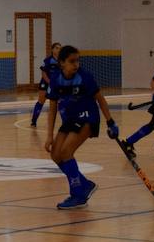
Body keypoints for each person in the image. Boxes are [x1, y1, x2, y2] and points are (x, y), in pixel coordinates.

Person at [44, 45, 119, 210]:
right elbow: (52, 109)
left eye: (77, 60)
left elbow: (100, 99)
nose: (76, 64)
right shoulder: (56, 79)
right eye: (72, 61)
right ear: (62, 62)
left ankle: (78, 195)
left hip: (87, 117)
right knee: (56, 155)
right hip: (70, 120)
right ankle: (85, 184)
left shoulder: (85, 77)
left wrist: (111, 121)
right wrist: (50, 135)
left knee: (66, 152)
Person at [30, 42, 61, 127]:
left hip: (56, 85)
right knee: (41, 102)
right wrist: (50, 82)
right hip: (45, 83)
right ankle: (33, 121)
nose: (58, 49)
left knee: (60, 102)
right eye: (56, 48)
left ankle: (65, 122)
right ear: (52, 49)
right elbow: (43, 74)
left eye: (60, 48)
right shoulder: (48, 60)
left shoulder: (62, 61)